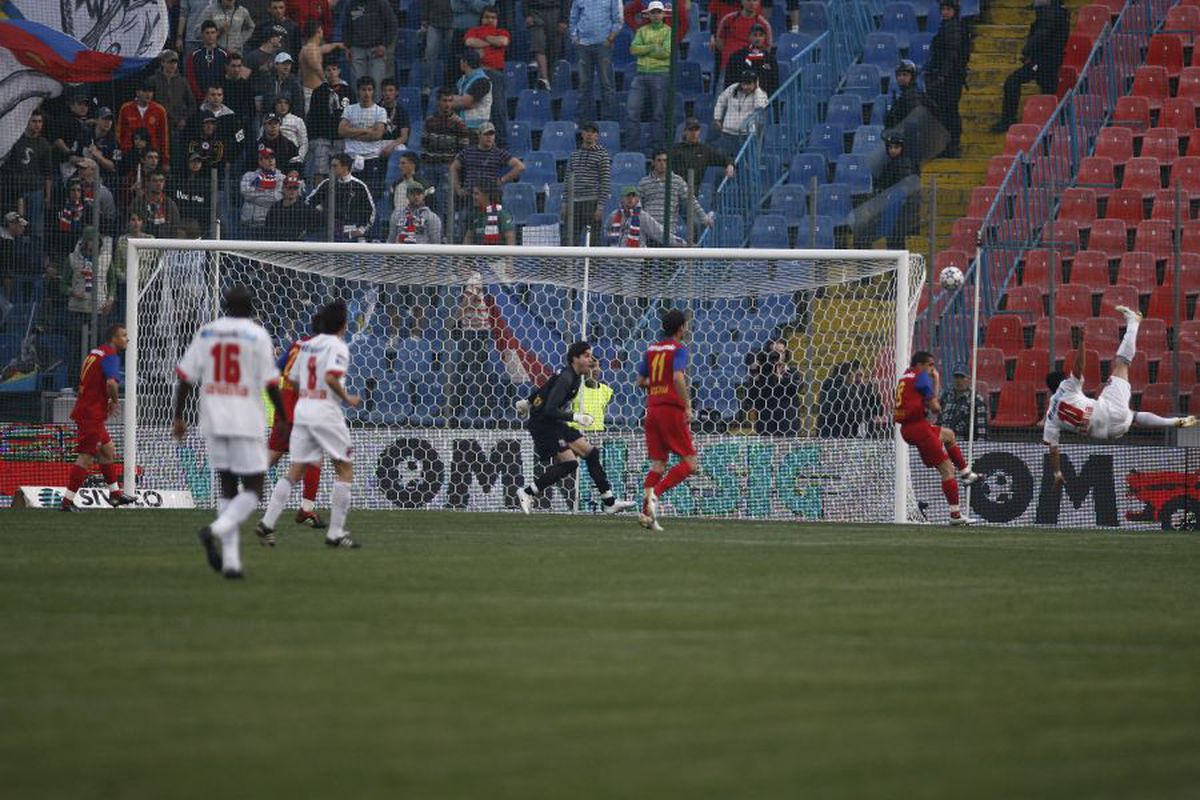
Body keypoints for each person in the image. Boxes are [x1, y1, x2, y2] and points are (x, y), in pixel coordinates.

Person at [174, 285, 284, 578]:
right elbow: (272, 384)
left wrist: (178, 416)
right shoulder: (257, 335)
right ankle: (214, 530)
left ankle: (232, 563)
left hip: (213, 419)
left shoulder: (207, 332)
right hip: (246, 420)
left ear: (225, 306)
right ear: (250, 310)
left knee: (226, 485)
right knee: (254, 488)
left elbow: (185, 377)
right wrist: (284, 415)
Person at [1045, 306, 1197, 486]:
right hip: (1110, 410)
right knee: (1122, 363)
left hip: (1112, 433)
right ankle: (1133, 322)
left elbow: (1053, 450)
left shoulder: (1050, 418)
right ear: (1062, 381)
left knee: (1132, 416)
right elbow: (1078, 369)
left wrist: (1057, 473)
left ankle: (1174, 422)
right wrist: (1081, 343)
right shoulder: (1067, 386)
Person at [257, 298, 362, 549]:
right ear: (343, 325)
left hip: (302, 410)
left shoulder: (306, 346)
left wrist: (309, 391)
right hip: (326, 411)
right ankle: (335, 533)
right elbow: (331, 376)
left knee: (295, 468)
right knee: (344, 469)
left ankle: (267, 523)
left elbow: (290, 379)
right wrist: (347, 397)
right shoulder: (338, 346)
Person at [515, 340, 636, 515]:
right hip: (543, 424)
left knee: (591, 453)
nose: (591, 360)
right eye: (586, 356)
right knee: (570, 463)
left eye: (591, 356)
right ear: (575, 358)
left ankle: (610, 502)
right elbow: (549, 409)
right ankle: (526, 492)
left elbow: (547, 387)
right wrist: (576, 416)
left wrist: (528, 401)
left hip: (554, 422)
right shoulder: (567, 377)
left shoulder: (573, 377)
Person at [895, 350, 980, 525]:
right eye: (930, 365)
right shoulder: (921, 376)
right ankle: (955, 516)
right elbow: (935, 407)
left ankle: (966, 473)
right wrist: (937, 380)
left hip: (908, 428)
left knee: (948, 435)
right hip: (918, 428)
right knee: (947, 470)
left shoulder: (905, 376)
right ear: (920, 365)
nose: (932, 369)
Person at [263, 310, 327, 535]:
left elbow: (278, 369)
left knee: (272, 457)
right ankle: (306, 509)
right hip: (303, 412)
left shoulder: (296, 344)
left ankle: (238, 492)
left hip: (283, 408)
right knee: (314, 459)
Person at [61, 323, 135, 510]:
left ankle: (115, 495)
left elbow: (84, 380)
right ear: (114, 338)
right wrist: (114, 400)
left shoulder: (95, 353)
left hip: (87, 409)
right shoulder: (111, 355)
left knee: (108, 449)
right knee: (86, 457)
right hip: (91, 413)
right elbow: (111, 382)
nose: (127, 339)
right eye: (124, 335)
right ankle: (67, 502)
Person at [637, 309, 697, 531]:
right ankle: (656, 495)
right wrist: (687, 405)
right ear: (681, 328)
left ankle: (646, 515)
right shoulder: (679, 349)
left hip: (652, 409)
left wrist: (658, 386)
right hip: (671, 410)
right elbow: (677, 376)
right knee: (690, 463)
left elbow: (640, 381)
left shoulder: (651, 350)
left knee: (658, 465)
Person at [992, 0, 1070, 132]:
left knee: (1013, 82)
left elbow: (1041, 35)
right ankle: (1051, 124)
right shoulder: (1059, 12)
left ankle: (1009, 120)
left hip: (1043, 61)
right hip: (1050, 60)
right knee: (1048, 90)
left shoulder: (1050, 13)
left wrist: (1027, 51)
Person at [637, 150, 712, 244]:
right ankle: (682, 244)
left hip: (668, 230)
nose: (662, 164)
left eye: (665, 161)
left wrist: (704, 218)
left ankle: (680, 244)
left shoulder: (677, 181)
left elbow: (690, 200)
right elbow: (636, 204)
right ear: (653, 162)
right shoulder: (644, 183)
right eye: (659, 160)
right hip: (649, 233)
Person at [626, 1, 672, 153]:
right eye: (653, 12)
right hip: (641, 73)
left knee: (658, 113)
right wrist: (653, 47)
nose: (656, 15)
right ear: (649, 14)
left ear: (663, 14)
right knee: (632, 112)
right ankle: (632, 149)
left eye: (659, 12)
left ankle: (657, 149)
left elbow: (666, 52)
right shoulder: (642, 30)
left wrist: (644, 49)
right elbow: (633, 49)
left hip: (660, 73)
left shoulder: (668, 31)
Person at [925, 0, 969, 158]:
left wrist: (942, 76)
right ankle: (949, 146)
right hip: (948, 77)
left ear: (954, 10)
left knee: (949, 112)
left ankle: (952, 146)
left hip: (950, 78)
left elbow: (951, 56)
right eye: (942, 9)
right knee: (947, 112)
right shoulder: (947, 26)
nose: (944, 12)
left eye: (948, 9)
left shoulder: (953, 28)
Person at [570, 0, 622, 123]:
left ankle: (607, 122)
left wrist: (610, 38)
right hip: (583, 45)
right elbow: (573, 17)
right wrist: (574, 37)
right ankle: (583, 122)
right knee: (584, 84)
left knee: (606, 83)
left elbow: (618, 19)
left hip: (603, 45)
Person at [338, 76, 389, 200]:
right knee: (349, 196)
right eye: (363, 89)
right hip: (351, 157)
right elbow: (341, 131)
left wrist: (353, 133)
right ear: (358, 91)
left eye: (369, 89)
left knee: (370, 196)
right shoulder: (349, 110)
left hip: (372, 157)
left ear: (373, 91)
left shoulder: (380, 111)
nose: (366, 93)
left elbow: (377, 135)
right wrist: (366, 130)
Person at [562, 121, 612, 247]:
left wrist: (600, 206)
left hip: (591, 202)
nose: (589, 134)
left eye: (593, 132)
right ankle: (567, 266)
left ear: (597, 136)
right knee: (569, 239)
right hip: (574, 202)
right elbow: (568, 180)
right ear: (582, 134)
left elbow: (605, 181)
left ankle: (593, 267)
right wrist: (565, 202)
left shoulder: (602, 155)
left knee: (594, 240)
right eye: (587, 131)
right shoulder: (574, 155)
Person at [306, 152, 376, 241]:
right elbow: (309, 202)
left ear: (345, 167)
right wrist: (320, 211)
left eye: (335, 166)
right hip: (327, 228)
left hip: (350, 230)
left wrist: (361, 230)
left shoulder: (359, 186)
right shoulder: (326, 183)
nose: (331, 169)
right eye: (331, 166)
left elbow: (370, 211)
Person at [464, 6, 510, 142]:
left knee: (498, 108)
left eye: (493, 17)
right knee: (473, 108)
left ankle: (501, 142)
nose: (489, 20)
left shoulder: (502, 31)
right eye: (486, 17)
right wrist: (491, 42)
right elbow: (469, 42)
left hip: (494, 73)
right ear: (481, 18)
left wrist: (483, 40)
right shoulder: (473, 31)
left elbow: (503, 41)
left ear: (497, 20)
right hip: (476, 73)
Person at [306, 58, 352, 183]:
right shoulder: (318, 91)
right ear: (324, 72)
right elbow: (312, 116)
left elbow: (352, 115)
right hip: (322, 137)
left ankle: (339, 197)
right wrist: (312, 138)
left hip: (341, 138)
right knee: (320, 170)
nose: (331, 72)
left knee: (340, 170)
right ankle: (318, 198)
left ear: (339, 71)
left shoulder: (348, 91)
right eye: (328, 70)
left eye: (334, 69)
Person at [713, 0, 773, 89]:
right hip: (728, 66)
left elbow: (767, 47)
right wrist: (730, 54)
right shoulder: (728, 19)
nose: (752, 3)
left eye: (755, 0)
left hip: (752, 70)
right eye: (748, 0)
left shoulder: (763, 24)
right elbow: (719, 40)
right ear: (742, 1)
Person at [342, 0, 399, 91]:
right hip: (357, 49)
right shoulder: (350, 4)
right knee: (357, 85)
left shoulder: (381, 3)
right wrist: (347, 47)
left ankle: (376, 105)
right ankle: (358, 105)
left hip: (376, 49)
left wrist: (384, 45)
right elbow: (346, 27)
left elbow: (392, 25)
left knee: (377, 84)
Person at [712, 69, 768, 155]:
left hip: (746, 134)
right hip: (728, 132)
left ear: (755, 83)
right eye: (743, 83)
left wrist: (757, 90)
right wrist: (717, 118)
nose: (745, 87)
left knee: (745, 162)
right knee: (725, 162)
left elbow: (759, 107)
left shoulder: (760, 94)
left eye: (749, 84)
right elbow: (721, 100)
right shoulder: (733, 88)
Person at [669, 117, 735, 190]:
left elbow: (725, 158)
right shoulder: (676, 149)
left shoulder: (704, 150)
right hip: (677, 189)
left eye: (696, 130)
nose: (694, 133)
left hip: (694, 191)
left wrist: (730, 165)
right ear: (685, 131)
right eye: (691, 130)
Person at [298, 20, 346, 115]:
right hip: (312, 92)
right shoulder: (311, 50)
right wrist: (327, 82)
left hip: (313, 91)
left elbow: (324, 48)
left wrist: (336, 45)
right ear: (319, 30)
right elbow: (316, 67)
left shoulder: (311, 48)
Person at [117, 82, 171, 166]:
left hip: (152, 155)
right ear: (137, 92)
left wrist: (165, 160)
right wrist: (124, 150)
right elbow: (120, 133)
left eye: (150, 91)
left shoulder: (160, 110)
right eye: (145, 91)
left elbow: (164, 137)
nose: (148, 94)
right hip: (129, 153)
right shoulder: (126, 108)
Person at [605, 185, 677, 247]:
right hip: (614, 258)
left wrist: (681, 243)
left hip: (635, 259)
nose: (630, 198)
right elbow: (606, 231)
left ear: (637, 199)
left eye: (633, 196)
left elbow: (659, 233)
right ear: (622, 199)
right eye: (627, 196)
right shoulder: (613, 215)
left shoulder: (643, 216)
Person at [724, 23, 779, 95]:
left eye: (761, 35)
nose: (758, 38)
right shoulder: (737, 56)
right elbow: (730, 79)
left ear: (764, 38)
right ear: (749, 37)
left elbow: (774, 82)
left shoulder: (770, 59)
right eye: (755, 35)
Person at [240, 145, 284, 233]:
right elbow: (246, 194)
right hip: (247, 223)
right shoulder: (249, 176)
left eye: (272, 158)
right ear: (260, 161)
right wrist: (268, 191)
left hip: (269, 224)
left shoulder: (282, 178)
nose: (270, 160)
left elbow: (276, 198)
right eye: (266, 158)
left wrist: (256, 193)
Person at [265, 174, 321, 239]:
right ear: (283, 189)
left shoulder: (305, 208)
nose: (292, 191)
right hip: (278, 244)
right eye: (289, 188)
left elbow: (320, 223)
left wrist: (307, 232)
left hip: (298, 245)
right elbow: (268, 230)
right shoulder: (275, 208)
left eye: (295, 188)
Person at [186, 20, 230, 103]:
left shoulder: (225, 54)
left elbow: (227, 77)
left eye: (213, 33)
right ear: (202, 34)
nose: (210, 36)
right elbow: (191, 78)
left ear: (217, 34)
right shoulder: (194, 55)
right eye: (207, 33)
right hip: (200, 100)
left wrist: (220, 96)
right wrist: (201, 97)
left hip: (221, 100)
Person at [884, 59, 928, 132]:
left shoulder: (914, 96)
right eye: (899, 75)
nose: (901, 78)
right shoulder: (903, 96)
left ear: (912, 77)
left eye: (905, 75)